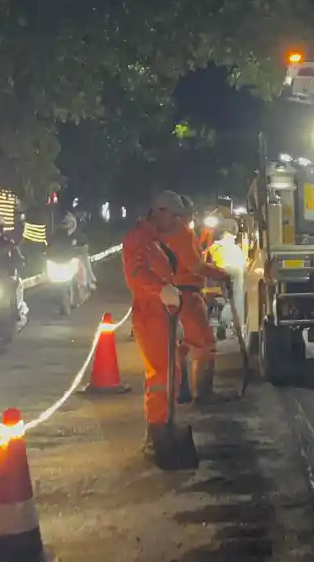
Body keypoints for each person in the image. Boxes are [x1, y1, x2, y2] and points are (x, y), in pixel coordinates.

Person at [122, 191, 187, 460]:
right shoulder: (140, 238)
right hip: (150, 315)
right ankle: (158, 435)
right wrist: (161, 290)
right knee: (161, 376)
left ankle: (161, 430)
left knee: (170, 372)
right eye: (174, 216)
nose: (176, 222)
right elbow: (137, 274)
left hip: (161, 315)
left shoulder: (154, 241)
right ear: (160, 211)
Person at [161, 196, 232, 403]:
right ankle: (203, 394)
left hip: (169, 295)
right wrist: (222, 275)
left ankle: (180, 391)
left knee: (180, 346)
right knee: (204, 344)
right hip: (187, 294)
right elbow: (196, 266)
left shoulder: (160, 233)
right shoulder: (181, 232)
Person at [58, 212, 97, 290]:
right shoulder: (60, 235)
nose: (66, 225)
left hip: (76, 258)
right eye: (64, 223)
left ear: (73, 223)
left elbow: (85, 247)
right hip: (63, 258)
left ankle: (88, 281)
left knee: (83, 261)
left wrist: (79, 250)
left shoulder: (78, 235)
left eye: (68, 223)